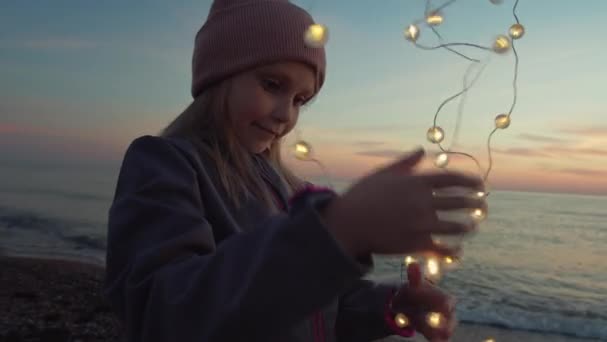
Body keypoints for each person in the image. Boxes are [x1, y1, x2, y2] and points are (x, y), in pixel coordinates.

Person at [103, 0, 486, 341]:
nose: (286, 114)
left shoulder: (289, 187)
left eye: (300, 99)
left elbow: (311, 311)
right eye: (272, 84)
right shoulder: (166, 163)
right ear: (218, 77)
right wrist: (339, 230)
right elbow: (162, 312)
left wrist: (391, 305)